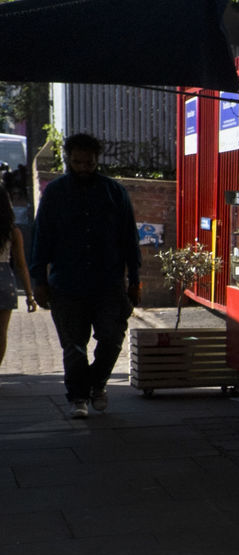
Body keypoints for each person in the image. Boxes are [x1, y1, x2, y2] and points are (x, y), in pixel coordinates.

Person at [29, 133, 140, 418]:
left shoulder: (114, 192)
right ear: (68, 159)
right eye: (77, 162)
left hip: (109, 283)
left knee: (113, 337)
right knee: (74, 345)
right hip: (67, 283)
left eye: (88, 162)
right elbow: (41, 239)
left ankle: (95, 383)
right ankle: (78, 397)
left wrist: (135, 278)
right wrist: (38, 280)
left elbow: (129, 237)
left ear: (96, 160)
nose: (83, 168)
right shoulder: (54, 193)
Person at [0, 185, 37, 366]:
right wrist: (29, 296)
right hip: (5, 280)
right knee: (1, 333)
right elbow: (22, 265)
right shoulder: (12, 232)